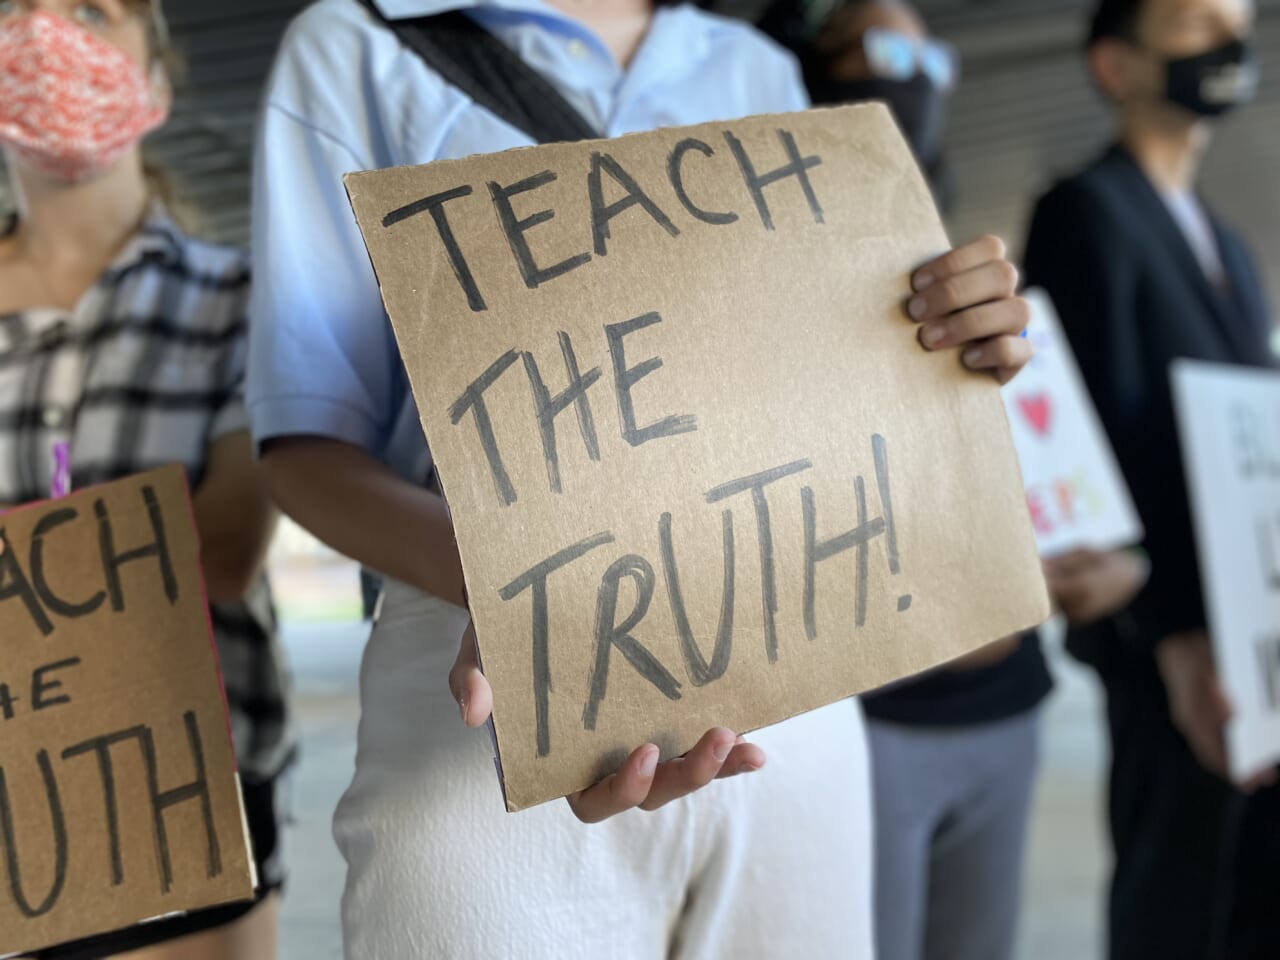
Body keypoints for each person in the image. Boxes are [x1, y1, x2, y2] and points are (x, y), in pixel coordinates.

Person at [247, 0, 1034, 956]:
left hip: (797, 669)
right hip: (491, 674)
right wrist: (529, 593)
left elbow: (809, 377)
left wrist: (942, 340)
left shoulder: (751, 65)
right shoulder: (356, 45)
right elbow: (306, 444)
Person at [757, 3, 1151, 958]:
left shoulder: (966, 265)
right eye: (885, 50)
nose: (917, 73)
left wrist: (1084, 564)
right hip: (860, 724)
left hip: (1005, 705)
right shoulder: (756, 285)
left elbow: (1016, 480)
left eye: (932, 54)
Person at [0, 2, 292, 958]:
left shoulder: (244, 300)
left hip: (188, 788)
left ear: (157, 82)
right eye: (14, 13)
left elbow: (222, 554)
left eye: (93, 10)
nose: (45, 30)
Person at [1024, 0, 1280, 957]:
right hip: (1171, 649)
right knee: (1181, 904)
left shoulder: (1232, 250)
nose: (1225, 39)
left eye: (1237, 18)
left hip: (1249, 635)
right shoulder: (1086, 212)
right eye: (1190, 18)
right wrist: (1167, 632)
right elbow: (1088, 442)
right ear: (1114, 65)